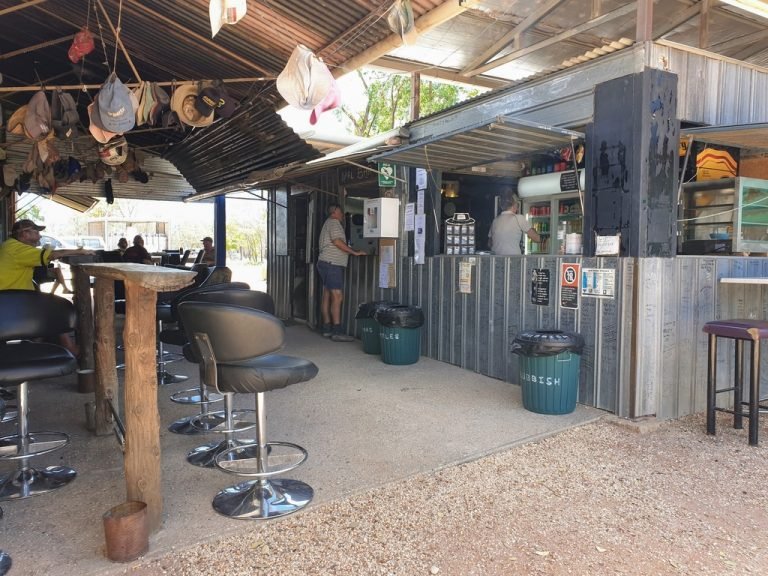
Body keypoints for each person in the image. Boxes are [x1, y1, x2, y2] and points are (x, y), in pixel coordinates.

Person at [0, 219, 94, 355]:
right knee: (55, 308)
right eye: (36, 232)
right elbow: (53, 254)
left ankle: (35, 345)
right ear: (24, 234)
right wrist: (81, 251)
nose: (40, 235)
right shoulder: (16, 249)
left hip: (12, 298)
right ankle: (70, 348)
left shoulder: (11, 246)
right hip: (9, 302)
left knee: (48, 305)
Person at [317, 203, 366, 342]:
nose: (343, 214)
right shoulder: (334, 223)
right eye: (340, 212)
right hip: (332, 264)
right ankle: (337, 331)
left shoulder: (328, 223)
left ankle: (327, 328)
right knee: (337, 296)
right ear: (334, 213)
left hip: (325, 263)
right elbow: (337, 242)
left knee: (327, 295)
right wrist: (354, 252)